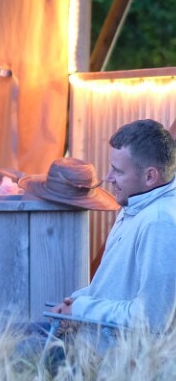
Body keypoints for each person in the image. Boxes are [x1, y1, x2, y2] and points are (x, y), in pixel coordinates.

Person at [29, 119, 176, 335]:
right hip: (89, 343)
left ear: (150, 176)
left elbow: (150, 320)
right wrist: (78, 301)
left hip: (116, 362)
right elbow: (116, 287)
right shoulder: (134, 202)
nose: (108, 178)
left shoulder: (159, 223)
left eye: (118, 171)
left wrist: (82, 309)